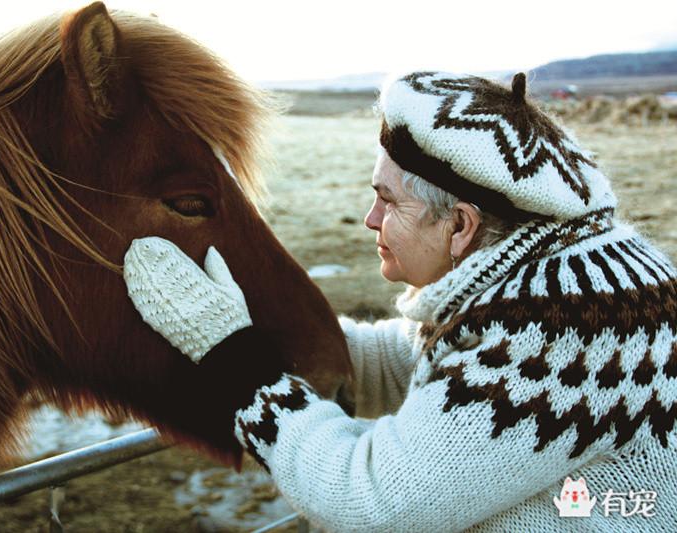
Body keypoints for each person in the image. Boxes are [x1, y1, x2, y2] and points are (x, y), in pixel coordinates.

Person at [123, 71, 677, 531]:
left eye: (388, 202)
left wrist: (236, 363)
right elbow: (418, 361)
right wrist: (261, 324)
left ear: (460, 226)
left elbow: (372, 501)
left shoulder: (568, 327)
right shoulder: (554, 276)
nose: (370, 221)